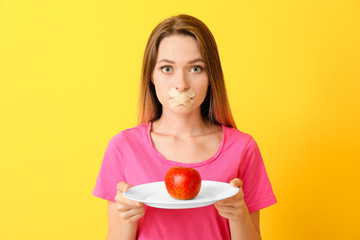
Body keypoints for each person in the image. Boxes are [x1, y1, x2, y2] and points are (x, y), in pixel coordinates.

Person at [93, 14, 277, 240]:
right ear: (151, 75)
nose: (181, 84)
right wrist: (126, 216)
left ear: (211, 76)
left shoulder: (242, 147)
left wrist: (238, 216)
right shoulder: (123, 147)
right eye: (167, 69)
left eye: (196, 68)